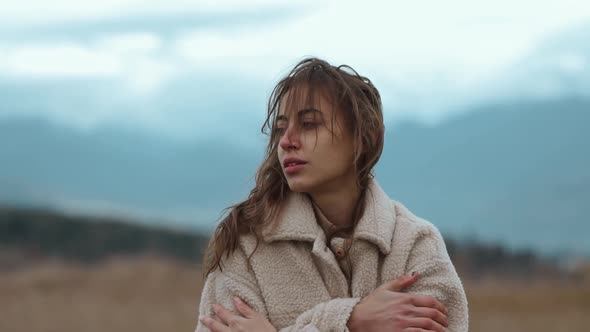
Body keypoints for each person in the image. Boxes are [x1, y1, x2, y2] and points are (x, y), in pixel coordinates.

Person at [195, 57, 469, 332]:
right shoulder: (246, 245)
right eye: (280, 128)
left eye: (310, 123)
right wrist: (351, 321)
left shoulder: (417, 246)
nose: (286, 141)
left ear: (363, 137)